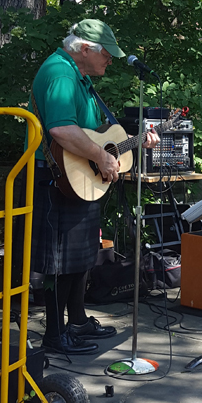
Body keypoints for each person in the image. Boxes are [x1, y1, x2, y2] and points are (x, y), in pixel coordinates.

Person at [24, 19, 160, 354]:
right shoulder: (60, 72)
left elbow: (94, 133)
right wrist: (101, 156)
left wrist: (132, 142)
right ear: (85, 48)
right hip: (57, 181)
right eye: (106, 54)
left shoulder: (79, 77)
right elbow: (61, 131)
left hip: (77, 182)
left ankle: (78, 321)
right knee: (61, 262)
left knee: (81, 259)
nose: (110, 60)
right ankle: (55, 337)